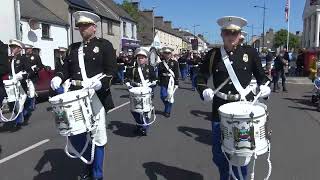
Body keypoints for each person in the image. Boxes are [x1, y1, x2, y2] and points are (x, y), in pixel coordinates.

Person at [196, 16, 270, 180]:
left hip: (244, 109)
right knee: (218, 153)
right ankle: (226, 175)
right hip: (219, 108)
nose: (231, 36)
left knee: (241, 155)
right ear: (222, 34)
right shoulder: (214, 54)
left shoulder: (249, 52)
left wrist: (265, 87)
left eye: (234, 32)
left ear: (239, 34)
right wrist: (203, 90)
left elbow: (262, 77)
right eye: (227, 32)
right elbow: (200, 77)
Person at [50, 11, 117, 180]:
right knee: (74, 134)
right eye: (79, 26)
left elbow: (111, 72)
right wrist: (58, 76)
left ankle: (97, 173)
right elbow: (65, 69)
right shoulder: (73, 48)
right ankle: (89, 160)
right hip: (75, 95)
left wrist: (102, 84)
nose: (81, 28)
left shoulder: (104, 45)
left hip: (96, 95)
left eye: (85, 25)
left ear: (94, 28)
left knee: (98, 135)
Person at [125, 48, 157, 136]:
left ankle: (144, 128)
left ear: (146, 59)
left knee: (145, 111)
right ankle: (140, 125)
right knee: (135, 111)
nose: (140, 59)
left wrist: (151, 84)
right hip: (136, 93)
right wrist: (128, 85)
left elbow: (155, 79)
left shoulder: (150, 68)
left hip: (147, 93)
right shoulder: (133, 69)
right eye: (139, 58)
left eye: (142, 57)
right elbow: (127, 78)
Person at [7, 40, 34, 129]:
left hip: (22, 84)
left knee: (24, 102)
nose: (12, 49)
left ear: (19, 49)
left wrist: (21, 75)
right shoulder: (10, 59)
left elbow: (30, 72)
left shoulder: (23, 59)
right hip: (13, 85)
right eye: (11, 47)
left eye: (14, 47)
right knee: (14, 103)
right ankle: (18, 121)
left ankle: (22, 118)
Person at [158, 47, 179, 118]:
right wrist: (158, 80)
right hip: (163, 81)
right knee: (162, 96)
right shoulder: (161, 63)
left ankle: (167, 111)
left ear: (171, 54)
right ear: (163, 54)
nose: (167, 55)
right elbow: (159, 73)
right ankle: (167, 106)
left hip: (171, 81)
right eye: (165, 53)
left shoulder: (175, 63)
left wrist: (176, 83)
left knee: (170, 96)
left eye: (168, 53)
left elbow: (176, 73)